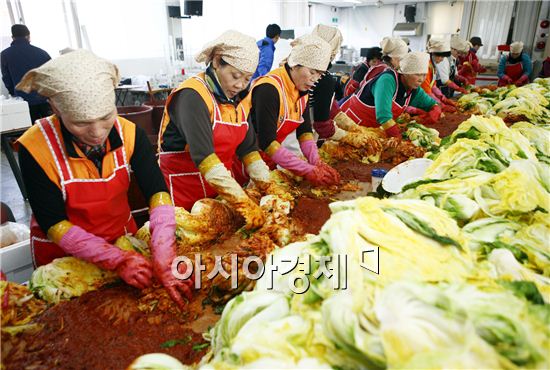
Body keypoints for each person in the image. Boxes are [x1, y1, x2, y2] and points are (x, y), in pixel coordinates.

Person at [16, 50, 192, 309]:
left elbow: (157, 191)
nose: (97, 133)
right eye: (80, 123)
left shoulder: (130, 133)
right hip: (65, 259)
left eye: (106, 117)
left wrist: (164, 246)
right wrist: (116, 260)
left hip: (121, 240)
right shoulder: (35, 147)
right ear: (55, 108)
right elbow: (52, 222)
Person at [158, 30, 281, 230]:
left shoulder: (238, 99)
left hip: (221, 192)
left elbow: (249, 150)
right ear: (216, 61)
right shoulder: (192, 96)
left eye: (248, 78)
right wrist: (244, 204)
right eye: (235, 75)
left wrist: (272, 188)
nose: (240, 85)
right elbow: (205, 156)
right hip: (183, 196)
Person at [249, 34, 340, 186]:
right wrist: (306, 170)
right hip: (246, 165)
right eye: (312, 72)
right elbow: (267, 142)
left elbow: (304, 132)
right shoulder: (269, 89)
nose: (315, 79)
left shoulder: (301, 90)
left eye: (320, 74)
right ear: (294, 64)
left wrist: (316, 162)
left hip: (269, 162)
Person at [308, 25, 381, 152]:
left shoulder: (300, 67)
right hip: (298, 140)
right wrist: (349, 137)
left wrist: (353, 127)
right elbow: (322, 125)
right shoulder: (322, 77)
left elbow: (328, 104)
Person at [339, 52, 442, 138]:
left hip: (369, 130)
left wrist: (436, 109)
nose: (421, 79)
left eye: (424, 74)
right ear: (404, 73)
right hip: (348, 122)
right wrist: (398, 139)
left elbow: (432, 104)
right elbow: (383, 116)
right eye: (417, 74)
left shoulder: (414, 89)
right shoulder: (387, 80)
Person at [1, 24, 52, 123]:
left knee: (31, 131)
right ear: (28, 36)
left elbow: (6, 78)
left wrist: (14, 94)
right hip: (44, 98)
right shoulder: (42, 52)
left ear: (13, 37)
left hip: (23, 101)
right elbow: (51, 76)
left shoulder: (5, 55)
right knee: (50, 128)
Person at [340, 37, 408, 105]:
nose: (376, 64)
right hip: (351, 101)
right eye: (400, 59)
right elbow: (354, 89)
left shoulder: (385, 69)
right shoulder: (367, 70)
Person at [420, 36, 457, 112]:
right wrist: (440, 104)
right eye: (440, 56)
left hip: (427, 99)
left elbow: (433, 86)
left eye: (443, 57)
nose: (442, 59)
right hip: (421, 101)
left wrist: (443, 98)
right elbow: (427, 91)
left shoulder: (433, 65)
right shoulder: (425, 65)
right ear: (433, 53)